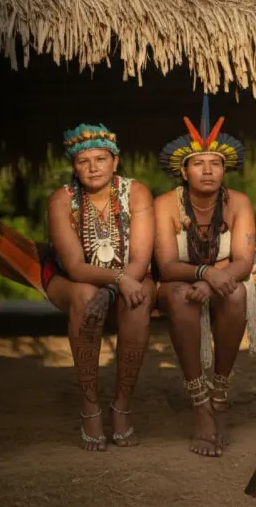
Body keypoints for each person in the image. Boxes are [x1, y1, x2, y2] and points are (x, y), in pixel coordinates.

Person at [153, 98, 256, 457]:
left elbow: (244, 261)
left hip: (219, 280)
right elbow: (166, 265)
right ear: (184, 172)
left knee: (237, 295)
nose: (208, 170)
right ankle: (201, 407)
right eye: (199, 164)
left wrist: (213, 278)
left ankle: (220, 399)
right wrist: (204, 272)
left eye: (216, 163)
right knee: (181, 296)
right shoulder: (166, 204)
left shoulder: (238, 202)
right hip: (178, 283)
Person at [43, 123, 156, 451]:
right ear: (73, 167)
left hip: (128, 277)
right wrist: (117, 281)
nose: (93, 167)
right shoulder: (61, 200)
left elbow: (140, 259)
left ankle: (121, 405)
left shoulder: (136, 193)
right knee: (84, 294)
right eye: (84, 161)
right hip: (71, 280)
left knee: (139, 299)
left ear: (116, 162)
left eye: (101, 159)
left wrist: (117, 287)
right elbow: (76, 268)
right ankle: (90, 406)